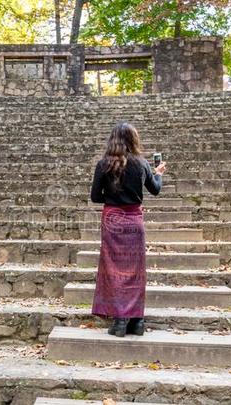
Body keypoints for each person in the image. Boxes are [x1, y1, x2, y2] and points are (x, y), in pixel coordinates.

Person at [89, 122, 166, 338]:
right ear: (134, 140)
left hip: (112, 220)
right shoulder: (141, 163)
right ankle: (137, 320)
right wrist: (158, 173)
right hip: (134, 221)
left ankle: (120, 320)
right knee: (135, 272)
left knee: (113, 271)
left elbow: (96, 197)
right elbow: (156, 190)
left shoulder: (103, 164)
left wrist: (114, 201)